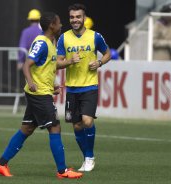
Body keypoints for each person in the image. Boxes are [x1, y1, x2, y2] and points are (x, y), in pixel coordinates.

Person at [0, 12, 83, 179]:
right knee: (55, 126)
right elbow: (27, 64)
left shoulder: (50, 43)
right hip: (39, 94)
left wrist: (53, 83)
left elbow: (48, 66)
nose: (62, 25)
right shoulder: (41, 42)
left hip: (42, 91)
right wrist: (31, 82)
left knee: (26, 129)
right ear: (52, 26)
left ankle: (1, 163)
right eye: (59, 23)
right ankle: (62, 171)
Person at [57, 3, 111, 172]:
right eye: (72, 17)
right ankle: (86, 156)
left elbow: (108, 53)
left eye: (78, 17)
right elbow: (58, 63)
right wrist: (69, 61)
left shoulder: (95, 36)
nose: (75, 20)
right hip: (72, 88)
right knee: (77, 126)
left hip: (89, 86)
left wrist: (100, 62)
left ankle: (89, 157)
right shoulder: (63, 38)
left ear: (84, 18)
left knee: (87, 121)